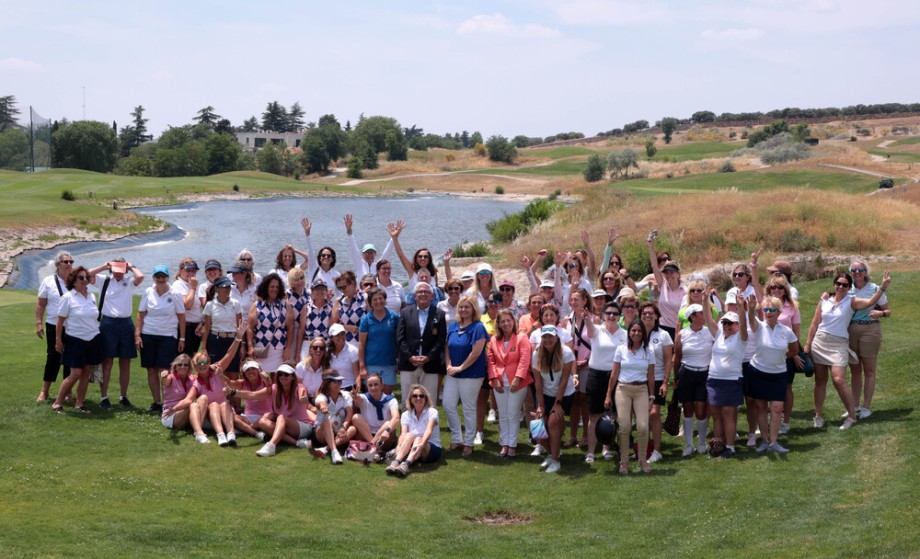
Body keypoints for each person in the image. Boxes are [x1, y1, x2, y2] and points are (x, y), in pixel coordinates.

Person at [804, 271, 890, 429]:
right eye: (838, 284)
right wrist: (808, 344)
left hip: (839, 344)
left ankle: (852, 416)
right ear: (834, 285)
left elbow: (871, 301)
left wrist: (882, 288)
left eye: (845, 285)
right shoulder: (824, 300)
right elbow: (814, 323)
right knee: (820, 381)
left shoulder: (852, 301)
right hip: (820, 342)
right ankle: (818, 416)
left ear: (849, 287)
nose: (841, 287)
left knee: (839, 380)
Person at [164, 327, 245, 444]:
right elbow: (188, 400)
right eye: (199, 363)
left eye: (205, 362)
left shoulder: (217, 369)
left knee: (239, 420)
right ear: (195, 366)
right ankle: (206, 432)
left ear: (209, 362)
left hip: (224, 408)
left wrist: (238, 337)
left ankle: (256, 433)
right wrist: (175, 408)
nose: (203, 365)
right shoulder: (195, 381)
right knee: (204, 401)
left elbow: (229, 354)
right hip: (209, 413)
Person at [87, 258, 144, 409]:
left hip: (126, 323)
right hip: (108, 323)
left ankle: (123, 396)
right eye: (116, 271)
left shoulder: (129, 281)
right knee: (107, 362)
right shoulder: (104, 280)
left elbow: (140, 277)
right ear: (112, 269)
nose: (118, 274)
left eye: (121, 271)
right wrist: (104, 266)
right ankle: (104, 397)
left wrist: (130, 266)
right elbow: (87, 275)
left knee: (125, 362)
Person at [748, 294, 798, 452]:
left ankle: (773, 442)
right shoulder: (759, 326)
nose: (768, 312)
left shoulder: (787, 331)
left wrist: (779, 357)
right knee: (761, 407)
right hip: (758, 372)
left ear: (779, 312)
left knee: (776, 408)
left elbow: (794, 350)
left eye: (771, 309)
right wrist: (750, 309)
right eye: (765, 309)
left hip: (778, 374)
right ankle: (764, 439)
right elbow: (750, 319)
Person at [605, 319, 655, 474]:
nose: (636, 333)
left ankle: (642, 460)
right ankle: (624, 462)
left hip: (641, 390)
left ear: (643, 333)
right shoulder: (621, 349)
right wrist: (608, 395)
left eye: (639, 331)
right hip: (623, 389)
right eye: (633, 330)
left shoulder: (649, 351)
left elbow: (651, 375)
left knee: (643, 426)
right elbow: (614, 374)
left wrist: (652, 396)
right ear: (629, 332)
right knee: (624, 426)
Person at [50, 267, 102, 414]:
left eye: (86, 277)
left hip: (92, 338)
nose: (85, 280)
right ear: (73, 281)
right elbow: (60, 321)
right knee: (76, 373)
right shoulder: (68, 297)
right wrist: (58, 340)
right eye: (81, 278)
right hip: (75, 339)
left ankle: (80, 404)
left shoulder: (92, 296)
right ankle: (57, 402)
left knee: (86, 372)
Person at [136, 265, 186, 413]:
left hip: (168, 336)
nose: (160, 279)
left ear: (168, 277)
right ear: (153, 278)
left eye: (163, 276)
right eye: (157, 277)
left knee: (165, 370)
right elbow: (140, 315)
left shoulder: (175, 293)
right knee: (151, 370)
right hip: (148, 334)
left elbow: (181, 317)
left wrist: (182, 338)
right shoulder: (148, 292)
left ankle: (168, 403)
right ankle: (157, 402)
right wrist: (137, 335)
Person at [582, 301, 627, 462]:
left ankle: (606, 448)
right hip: (596, 376)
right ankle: (591, 452)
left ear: (619, 316)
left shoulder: (624, 335)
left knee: (612, 415)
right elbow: (589, 328)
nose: (612, 316)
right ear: (603, 315)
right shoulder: (597, 330)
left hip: (617, 377)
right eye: (608, 313)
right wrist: (587, 318)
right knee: (594, 416)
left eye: (615, 313)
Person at [705, 299, 751, 459]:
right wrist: (705, 301)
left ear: (737, 325)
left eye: (730, 323)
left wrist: (741, 309)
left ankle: (730, 447)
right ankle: (718, 445)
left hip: (731, 380)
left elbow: (745, 326)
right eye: (724, 323)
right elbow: (708, 318)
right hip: (714, 379)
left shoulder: (741, 338)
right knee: (716, 414)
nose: (726, 326)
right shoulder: (718, 335)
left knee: (728, 414)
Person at [444, 295, 488, 456]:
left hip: (471, 374)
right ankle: (457, 438)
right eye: (461, 307)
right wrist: (449, 365)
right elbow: (447, 347)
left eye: (467, 307)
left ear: (474, 309)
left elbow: (476, 353)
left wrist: (461, 368)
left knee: (469, 408)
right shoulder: (454, 326)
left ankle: (469, 442)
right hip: (453, 373)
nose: (463, 310)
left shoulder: (478, 328)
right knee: (448, 405)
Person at [846, 259, 891, 419]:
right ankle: (855, 405)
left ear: (866, 272)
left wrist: (881, 313)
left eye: (860, 270)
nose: (857, 272)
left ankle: (866, 407)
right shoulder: (846, 288)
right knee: (855, 370)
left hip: (870, 330)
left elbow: (888, 311)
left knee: (869, 370)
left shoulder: (875, 289)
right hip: (850, 330)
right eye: (854, 270)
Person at [487, 309, 533, 458]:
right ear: (498, 324)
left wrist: (517, 378)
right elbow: (491, 361)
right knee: (503, 414)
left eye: (508, 320)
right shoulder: (494, 339)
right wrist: (494, 379)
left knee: (513, 414)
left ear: (513, 321)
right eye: (502, 321)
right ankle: (504, 444)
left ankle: (512, 445)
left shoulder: (521, 338)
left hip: (517, 383)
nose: (506, 323)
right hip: (499, 383)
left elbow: (524, 360)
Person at [532, 326, 577, 474]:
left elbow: (564, 381)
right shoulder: (536, 353)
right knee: (539, 426)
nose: (548, 340)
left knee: (553, 422)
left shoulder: (566, 353)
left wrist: (558, 403)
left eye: (550, 336)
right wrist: (540, 405)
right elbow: (538, 382)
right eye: (544, 337)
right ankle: (552, 454)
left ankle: (556, 461)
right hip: (546, 394)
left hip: (564, 394)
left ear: (557, 338)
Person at [673, 300, 716, 457]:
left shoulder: (709, 331)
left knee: (701, 410)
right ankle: (689, 444)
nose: (704, 315)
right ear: (692, 317)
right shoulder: (682, 334)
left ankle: (702, 443)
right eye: (701, 313)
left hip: (704, 374)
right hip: (686, 374)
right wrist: (675, 379)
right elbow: (677, 358)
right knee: (688, 409)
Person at [250, 363, 316, 457]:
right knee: (263, 421)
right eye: (280, 374)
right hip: (283, 425)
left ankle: (271, 445)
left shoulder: (299, 387)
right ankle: (297, 443)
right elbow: (252, 395)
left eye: (286, 374)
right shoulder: (274, 388)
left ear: (293, 377)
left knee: (281, 417)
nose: (282, 376)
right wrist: (233, 392)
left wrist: (303, 398)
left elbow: (302, 393)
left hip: (302, 427)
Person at [397, 282, 446, 403]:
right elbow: (400, 338)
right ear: (414, 296)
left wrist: (429, 357)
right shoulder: (404, 313)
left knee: (429, 401)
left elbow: (440, 340)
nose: (423, 294)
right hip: (409, 364)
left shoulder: (439, 314)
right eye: (420, 291)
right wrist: (409, 357)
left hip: (430, 365)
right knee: (407, 401)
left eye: (426, 292)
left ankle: (430, 423)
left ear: (432, 296)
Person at [36, 251, 74, 403]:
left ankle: (67, 392)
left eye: (71, 261)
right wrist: (38, 322)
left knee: (70, 359)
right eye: (66, 262)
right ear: (58, 265)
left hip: (72, 326)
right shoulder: (48, 281)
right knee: (53, 357)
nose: (69, 264)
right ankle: (44, 391)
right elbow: (41, 303)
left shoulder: (76, 280)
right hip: (53, 324)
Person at [561, 288, 595, 450]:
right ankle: (572, 435)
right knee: (573, 401)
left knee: (584, 400)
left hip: (588, 364)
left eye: (576, 299)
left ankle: (586, 436)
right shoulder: (567, 320)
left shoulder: (594, 319)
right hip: (571, 365)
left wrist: (587, 360)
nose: (573, 302)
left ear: (585, 301)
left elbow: (597, 342)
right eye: (572, 300)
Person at [640, 302, 673, 463]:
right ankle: (644, 448)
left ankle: (657, 450)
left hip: (658, 379)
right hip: (638, 380)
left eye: (650, 313)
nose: (647, 315)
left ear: (657, 316)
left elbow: (668, 360)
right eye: (644, 313)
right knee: (641, 416)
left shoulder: (663, 335)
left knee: (653, 413)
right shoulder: (635, 333)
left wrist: (666, 381)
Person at [386, 384, 442, 477]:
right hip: (413, 448)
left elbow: (429, 430)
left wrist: (422, 444)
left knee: (419, 439)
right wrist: (399, 446)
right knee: (409, 435)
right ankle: (396, 462)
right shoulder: (405, 414)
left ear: (426, 399)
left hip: (430, 448)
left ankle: (406, 465)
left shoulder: (432, 412)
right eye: (415, 396)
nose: (418, 398)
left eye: (421, 396)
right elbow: (403, 434)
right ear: (411, 399)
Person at [247, 273, 294, 374]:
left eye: (277, 287)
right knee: (261, 378)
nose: (275, 289)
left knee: (278, 378)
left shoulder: (285, 305)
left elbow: (291, 328)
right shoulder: (257, 305)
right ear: (266, 287)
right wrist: (250, 347)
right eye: (272, 286)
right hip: (261, 349)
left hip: (280, 350)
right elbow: (250, 328)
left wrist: (288, 348)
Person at [200, 276, 243, 382]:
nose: (227, 289)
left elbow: (240, 327)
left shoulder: (236, 304)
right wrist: (204, 348)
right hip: (215, 341)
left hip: (232, 341)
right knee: (216, 373)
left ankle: (233, 398)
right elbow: (206, 328)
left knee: (233, 375)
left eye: (229, 287)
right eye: (224, 287)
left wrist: (242, 345)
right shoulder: (210, 305)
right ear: (217, 289)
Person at [357, 287, 400, 394]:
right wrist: (362, 367)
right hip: (371, 363)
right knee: (372, 397)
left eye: (381, 298)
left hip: (389, 362)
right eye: (375, 300)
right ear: (370, 303)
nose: (378, 302)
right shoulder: (366, 319)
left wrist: (399, 361)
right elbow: (361, 344)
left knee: (386, 397)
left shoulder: (394, 317)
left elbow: (398, 340)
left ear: (385, 300)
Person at [224, 359, 273, 440]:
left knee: (269, 416)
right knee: (233, 417)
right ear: (244, 374)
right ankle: (257, 433)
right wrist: (220, 375)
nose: (251, 372)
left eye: (253, 369)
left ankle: (246, 429)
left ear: (259, 371)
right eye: (247, 370)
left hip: (265, 416)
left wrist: (267, 378)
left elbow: (269, 385)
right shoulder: (242, 383)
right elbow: (229, 383)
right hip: (249, 417)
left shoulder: (265, 382)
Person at [312, 371, 355, 464]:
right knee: (327, 421)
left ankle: (326, 449)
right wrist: (323, 407)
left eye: (340, 381)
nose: (340, 383)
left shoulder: (346, 395)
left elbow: (349, 413)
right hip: (321, 433)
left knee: (352, 429)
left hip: (338, 431)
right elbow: (320, 402)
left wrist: (343, 428)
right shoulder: (322, 396)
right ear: (328, 383)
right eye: (336, 381)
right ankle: (335, 452)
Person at [352, 372, 400, 454]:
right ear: (367, 387)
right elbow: (358, 401)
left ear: (382, 385)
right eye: (370, 385)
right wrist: (355, 398)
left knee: (388, 423)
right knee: (356, 417)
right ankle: (374, 448)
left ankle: (370, 448)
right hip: (367, 434)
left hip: (384, 436)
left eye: (376, 384)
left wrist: (387, 431)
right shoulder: (364, 398)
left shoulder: (391, 400)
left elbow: (396, 418)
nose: (373, 388)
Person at [648, 235, 685, 339]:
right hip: (661, 328)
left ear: (678, 274)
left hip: (679, 330)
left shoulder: (685, 291)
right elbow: (654, 266)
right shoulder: (662, 285)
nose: (669, 275)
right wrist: (651, 246)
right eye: (666, 273)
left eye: (672, 272)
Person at [386, 219, 438, 291]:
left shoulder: (433, 273)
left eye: (425, 257)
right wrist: (394, 238)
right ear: (416, 258)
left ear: (429, 259)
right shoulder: (412, 271)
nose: (423, 258)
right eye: (420, 256)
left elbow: (436, 289)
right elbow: (401, 255)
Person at [301, 218, 342, 299]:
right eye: (323, 255)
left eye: (328, 256)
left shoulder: (337, 275)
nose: (325, 257)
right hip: (314, 308)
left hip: (330, 309)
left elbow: (340, 295)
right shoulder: (313, 269)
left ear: (332, 259)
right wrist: (307, 235)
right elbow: (310, 251)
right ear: (319, 258)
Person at [172, 258, 202, 355]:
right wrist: (193, 288)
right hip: (185, 327)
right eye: (188, 270)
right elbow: (187, 305)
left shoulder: (190, 284)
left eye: (193, 270)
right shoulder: (178, 285)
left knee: (192, 359)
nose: (191, 273)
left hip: (196, 328)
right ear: (181, 271)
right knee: (183, 361)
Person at [297, 279, 333, 358]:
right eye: (317, 289)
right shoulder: (306, 308)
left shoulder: (331, 308)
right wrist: (297, 352)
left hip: (324, 344)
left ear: (326, 291)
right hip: (308, 343)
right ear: (312, 291)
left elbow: (331, 330)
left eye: (323, 289)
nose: (320, 291)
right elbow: (301, 331)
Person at [331, 271, 366, 344]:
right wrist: (346, 327)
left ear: (353, 284)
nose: (342, 290)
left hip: (362, 342)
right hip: (345, 343)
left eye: (343, 287)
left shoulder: (365, 298)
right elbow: (332, 325)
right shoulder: (338, 301)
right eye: (339, 288)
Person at [327, 323, 360, 390]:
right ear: (332, 338)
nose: (341, 337)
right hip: (332, 389)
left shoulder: (353, 350)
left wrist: (357, 391)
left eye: (342, 334)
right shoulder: (326, 352)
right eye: (337, 335)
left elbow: (357, 375)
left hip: (350, 388)